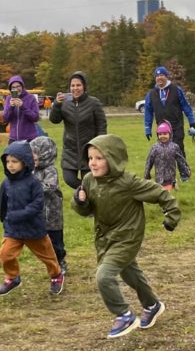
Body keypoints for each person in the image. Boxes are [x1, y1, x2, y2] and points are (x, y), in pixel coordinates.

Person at [71, 134, 181, 339]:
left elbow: (160, 193)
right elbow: (86, 211)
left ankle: (124, 315)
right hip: (105, 238)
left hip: (128, 237)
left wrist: (171, 215)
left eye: (99, 158)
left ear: (112, 159)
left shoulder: (128, 182)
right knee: (128, 272)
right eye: (90, 158)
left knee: (104, 276)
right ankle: (152, 305)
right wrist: (80, 201)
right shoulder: (88, 180)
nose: (92, 163)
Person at [0, 141, 64, 296]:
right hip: (13, 229)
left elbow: (37, 205)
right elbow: (3, 203)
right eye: (8, 161)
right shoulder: (6, 183)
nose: (10, 165)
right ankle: (13, 277)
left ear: (25, 162)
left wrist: (20, 215)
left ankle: (56, 275)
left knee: (48, 257)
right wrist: (5, 220)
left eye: (14, 161)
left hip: (33, 229)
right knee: (4, 255)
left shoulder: (34, 183)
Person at [49, 71, 107, 189]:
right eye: (73, 85)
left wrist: (99, 145)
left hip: (89, 150)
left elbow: (101, 125)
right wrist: (57, 105)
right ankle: (86, 191)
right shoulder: (64, 103)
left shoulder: (94, 103)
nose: (75, 88)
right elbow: (54, 120)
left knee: (89, 180)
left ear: (84, 86)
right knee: (69, 179)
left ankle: (87, 197)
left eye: (78, 85)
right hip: (70, 150)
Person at [30, 136, 68, 274]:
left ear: (45, 154)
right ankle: (51, 262)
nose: (32, 158)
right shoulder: (31, 171)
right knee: (44, 240)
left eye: (35, 155)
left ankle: (61, 260)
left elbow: (50, 187)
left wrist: (32, 187)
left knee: (55, 240)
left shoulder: (50, 170)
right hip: (39, 213)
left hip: (52, 214)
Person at [144, 66, 195, 159]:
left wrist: (192, 122)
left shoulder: (176, 90)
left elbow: (186, 106)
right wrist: (147, 128)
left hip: (177, 126)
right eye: (157, 76)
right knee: (164, 153)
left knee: (178, 150)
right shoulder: (151, 94)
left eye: (161, 75)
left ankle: (183, 168)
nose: (159, 78)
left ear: (166, 76)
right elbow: (148, 111)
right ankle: (167, 169)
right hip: (162, 129)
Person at [144, 121, 191, 191]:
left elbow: (181, 161)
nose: (162, 136)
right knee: (161, 192)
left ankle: (173, 185)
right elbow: (149, 161)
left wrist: (186, 172)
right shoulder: (155, 148)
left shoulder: (174, 147)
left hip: (170, 178)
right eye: (160, 134)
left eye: (165, 134)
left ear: (170, 134)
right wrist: (147, 174)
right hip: (159, 178)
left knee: (167, 193)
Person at [2, 75, 41, 143]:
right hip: (13, 138)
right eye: (13, 87)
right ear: (10, 89)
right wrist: (11, 107)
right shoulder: (9, 98)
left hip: (29, 138)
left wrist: (23, 106)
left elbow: (35, 118)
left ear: (22, 86)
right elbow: (5, 118)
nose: (16, 89)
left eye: (18, 86)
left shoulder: (31, 98)